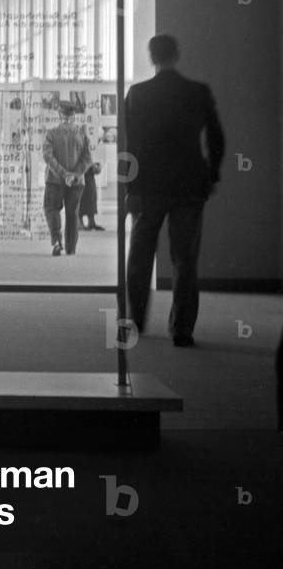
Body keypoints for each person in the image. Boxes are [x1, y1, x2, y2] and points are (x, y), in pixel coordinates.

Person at [124, 34, 225, 347]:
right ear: (176, 54)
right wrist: (211, 175)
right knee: (184, 259)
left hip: (149, 186)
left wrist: (130, 187)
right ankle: (181, 329)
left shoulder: (138, 94)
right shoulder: (197, 91)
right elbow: (216, 138)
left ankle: (136, 321)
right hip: (189, 185)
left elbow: (130, 146)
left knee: (140, 257)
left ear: (151, 56)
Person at [42, 101, 92, 257]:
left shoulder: (51, 134)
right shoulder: (82, 134)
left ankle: (57, 241)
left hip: (54, 180)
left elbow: (48, 157)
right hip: (77, 183)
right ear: (74, 116)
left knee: (52, 209)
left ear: (59, 115)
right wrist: (74, 175)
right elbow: (88, 159)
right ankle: (71, 249)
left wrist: (65, 175)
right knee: (72, 214)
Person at [79, 139, 105, 231]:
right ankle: (79, 223)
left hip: (89, 179)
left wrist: (96, 166)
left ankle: (91, 222)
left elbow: (93, 165)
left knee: (91, 199)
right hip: (79, 179)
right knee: (81, 200)